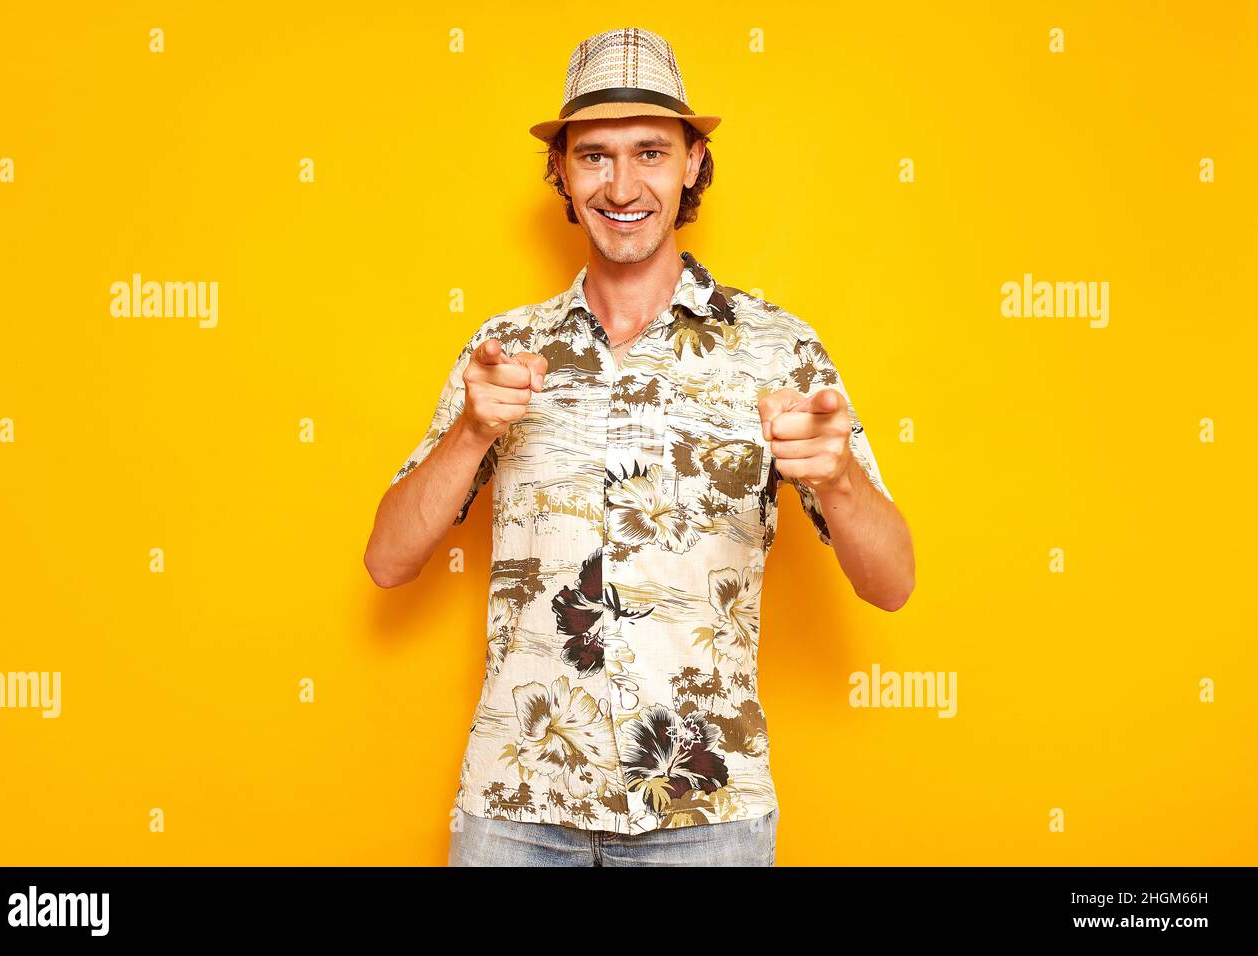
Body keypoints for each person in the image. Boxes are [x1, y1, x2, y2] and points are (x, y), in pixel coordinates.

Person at [364, 27, 915, 867]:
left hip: (709, 813)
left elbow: (893, 584)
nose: (623, 185)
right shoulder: (504, 350)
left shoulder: (777, 349)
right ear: (562, 173)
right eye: (594, 157)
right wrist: (473, 430)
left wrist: (838, 480)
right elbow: (388, 561)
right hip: (518, 808)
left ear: (693, 161)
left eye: (650, 152)